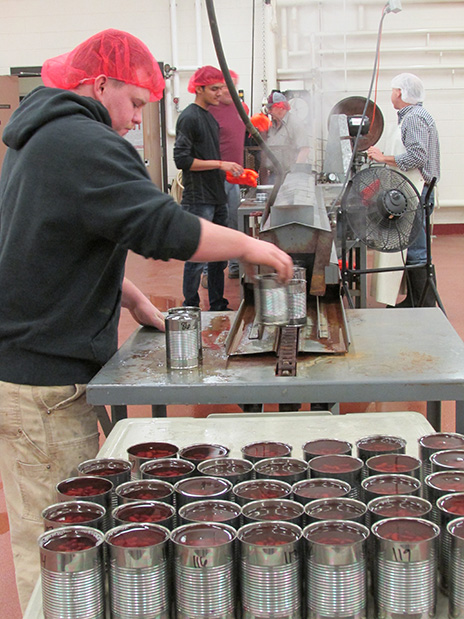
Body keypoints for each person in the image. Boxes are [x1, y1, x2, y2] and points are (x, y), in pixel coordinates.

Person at [0, 31, 293, 611]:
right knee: (62, 551)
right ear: (99, 83)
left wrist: (131, 298)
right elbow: (163, 228)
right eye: (134, 103)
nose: (137, 120)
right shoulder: (81, 140)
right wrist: (252, 249)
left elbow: (56, 240)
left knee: (70, 535)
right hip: (42, 387)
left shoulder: (40, 137)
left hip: (34, 373)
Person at [174, 66, 244, 310]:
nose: (218, 93)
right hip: (199, 197)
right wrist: (220, 164)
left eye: (221, 89)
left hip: (216, 196)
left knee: (219, 255)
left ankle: (217, 303)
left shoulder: (210, 117)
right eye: (214, 89)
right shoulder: (190, 117)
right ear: (199, 88)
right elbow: (182, 160)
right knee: (198, 255)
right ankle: (190, 305)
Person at [367, 73, 440, 307]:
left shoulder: (414, 118)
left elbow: (417, 156)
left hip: (417, 193)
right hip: (414, 192)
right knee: (412, 248)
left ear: (399, 92)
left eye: (392, 91)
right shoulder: (411, 116)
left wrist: (382, 158)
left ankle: (423, 303)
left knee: (417, 249)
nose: (391, 95)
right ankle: (415, 300)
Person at [208, 70, 247, 279]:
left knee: (234, 220)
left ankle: (234, 266)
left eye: (232, 84)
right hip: (215, 176)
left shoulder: (242, 108)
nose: (228, 89)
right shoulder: (209, 111)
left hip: (235, 177)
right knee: (214, 223)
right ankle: (208, 269)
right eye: (224, 85)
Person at [264, 90, 310, 180]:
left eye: (271, 108)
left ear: (280, 108)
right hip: (274, 175)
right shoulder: (271, 125)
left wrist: (295, 173)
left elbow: (305, 150)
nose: (269, 111)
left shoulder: (295, 124)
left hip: (290, 174)